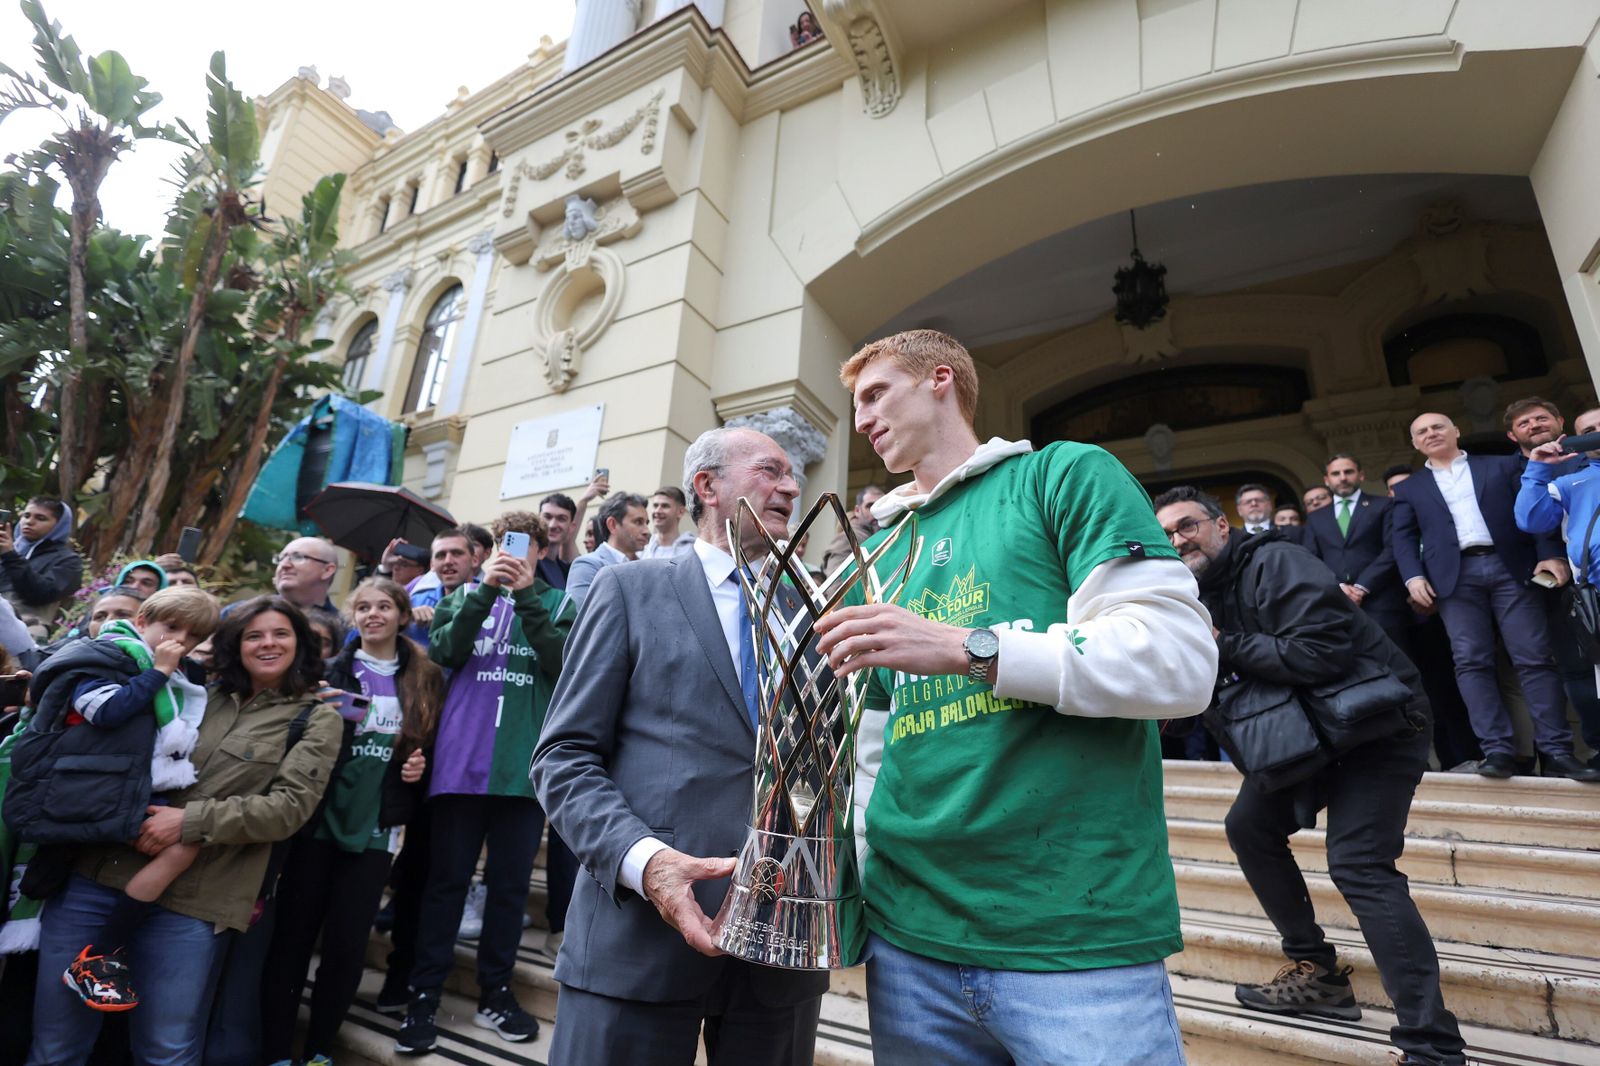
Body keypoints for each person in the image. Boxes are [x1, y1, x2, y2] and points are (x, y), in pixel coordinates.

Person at [813, 330, 1215, 1063]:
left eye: (876, 394)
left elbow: (1179, 663)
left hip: (1072, 933)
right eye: (856, 404)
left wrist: (965, 648)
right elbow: (872, 747)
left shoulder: (1064, 474)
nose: (863, 419)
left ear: (941, 380)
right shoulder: (879, 552)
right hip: (907, 941)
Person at [532, 426, 828, 1065]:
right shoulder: (628, 590)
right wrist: (646, 864)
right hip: (638, 936)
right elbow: (562, 758)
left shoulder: (813, 615)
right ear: (707, 486)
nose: (791, 486)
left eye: (793, 475)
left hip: (780, 950)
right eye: (770, 470)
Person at [1153, 485, 1467, 1066]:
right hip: (1308, 737)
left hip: (1377, 728)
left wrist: (1224, 644)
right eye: (1167, 534)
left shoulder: (1276, 561)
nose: (1178, 540)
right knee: (1248, 827)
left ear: (1221, 525)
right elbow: (1220, 678)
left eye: (1187, 526)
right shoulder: (1195, 595)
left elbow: (1322, 653)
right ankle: (1318, 973)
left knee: (1359, 865)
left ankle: (1433, 1044)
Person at [24, 596, 341, 1063]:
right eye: (254, 635)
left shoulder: (316, 717)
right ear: (235, 644)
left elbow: (289, 809)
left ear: (301, 643)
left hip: (195, 901)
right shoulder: (191, 691)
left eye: (281, 634)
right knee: (56, 1047)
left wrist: (189, 823)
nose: (267, 643)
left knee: (165, 1050)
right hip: (98, 877)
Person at [395, 512, 576, 1055]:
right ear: (491, 550)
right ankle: (422, 995)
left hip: (522, 771)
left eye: (525, 545)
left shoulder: (560, 604)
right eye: (504, 544)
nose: (513, 553)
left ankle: (496, 992)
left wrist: (524, 597)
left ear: (542, 551)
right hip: (460, 765)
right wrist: (486, 593)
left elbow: (560, 661)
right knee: (447, 883)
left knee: (509, 889)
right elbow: (446, 650)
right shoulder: (463, 596)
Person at [260, 578, 440, 1066]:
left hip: (377, 828)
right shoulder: (326, 670)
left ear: (404, 614)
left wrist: (415, 770)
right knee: (293, 941)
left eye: (385, 605)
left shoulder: (425, 676)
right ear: (352, 615)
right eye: (363, 606)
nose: (373, 614)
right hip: (315, 822)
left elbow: (426, 752)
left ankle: (319, 1050)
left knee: (345, 947)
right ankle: (277, 1051)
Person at [1391, 413, 1598, 781]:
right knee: (1471, 663)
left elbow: (1532, 507)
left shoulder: (1501, 466)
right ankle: (1498, 751)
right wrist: (1412, 577)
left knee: (1534, 659)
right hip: (1453, 579)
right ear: (1415, 444)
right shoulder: (1410, 488)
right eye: (1421, 431)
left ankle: (1558, 751)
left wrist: (1547, 552)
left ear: (1456, 431)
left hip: (1511, 568)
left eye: (1438, 426)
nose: (1431, 433)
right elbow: (1402, 538)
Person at [44, 588, 219, 1012]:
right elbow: (106, 712)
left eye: (192, 635)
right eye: (171, 627)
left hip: (122, 788)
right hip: (86, 790)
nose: (179, 640)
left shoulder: (180, 674)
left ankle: (102, 957)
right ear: (142, 621)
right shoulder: (108, 654)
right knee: (180, 845)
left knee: (181, 842)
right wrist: (158, 671)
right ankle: (98, 959)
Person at [1517, 405, 1600, 766]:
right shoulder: (1569, 482)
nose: (1596, 432)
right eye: (1589, 430)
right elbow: (1531, 519)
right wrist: (1537, 467)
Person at [1303, 454, 1409, 654]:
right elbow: (1311, 559)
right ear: (1327, 480)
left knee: (1398, 665)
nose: (1342, 477)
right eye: (1336, 473)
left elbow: (1392, 549)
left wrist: (1362, 587)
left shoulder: (1383, 505)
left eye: (1348, 471)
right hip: (1337, 605)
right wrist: (1339, 586)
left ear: (1361, 475)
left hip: (1382, 601)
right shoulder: (1316, 517)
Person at [0, 499, 84, 634]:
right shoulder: (7, 549)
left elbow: (40, 594)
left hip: (26, 628)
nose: (29, 522)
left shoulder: (68, 560)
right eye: (26, 516)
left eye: (41, 518)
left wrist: (10, 556)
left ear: (59, 525)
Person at [564, 493, 649, 611]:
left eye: (646, 523)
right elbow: (580, 619)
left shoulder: (646, 567)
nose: (646, 530)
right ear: (612, 525)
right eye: (638, 522)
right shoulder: (587, 565)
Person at [820, 484, 885, 575]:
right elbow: (835, 585)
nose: (876, 510)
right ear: (857, 510)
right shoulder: (847, 538)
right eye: (870, 506)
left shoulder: (883, 534)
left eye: (882, 505)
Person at [268, 537, 340, 612]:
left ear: (327, 570)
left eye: (298, 557)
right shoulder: (257, 616)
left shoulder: (339, 623)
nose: (284, 565)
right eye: (281, 559)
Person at [536, 493, 579, 589]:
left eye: (561, 519)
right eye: (547, 517)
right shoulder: (526, 562)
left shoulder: (566, 571)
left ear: (571, 527)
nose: (552, 525)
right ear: (537, 520)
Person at [641, 486, 695, 559]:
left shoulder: (691, 552)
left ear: (680, 512)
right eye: (655, 506)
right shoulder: (642, 551)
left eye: (665, 506)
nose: (657, 511)